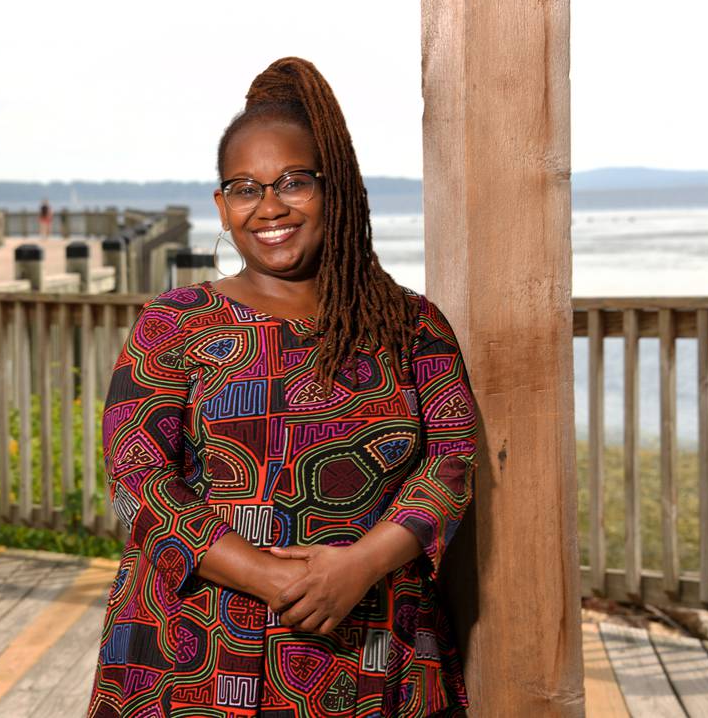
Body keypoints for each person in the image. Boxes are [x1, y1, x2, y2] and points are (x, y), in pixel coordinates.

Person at [87, 57, 477, 718]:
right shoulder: (177, 321)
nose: (269, 207)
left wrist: (357, 568)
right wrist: (270, 577)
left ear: (337, 188)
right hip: (197, 652)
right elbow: (137, 476)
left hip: (376, 649)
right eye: (245, 187)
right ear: (222, 204)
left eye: (294, 181)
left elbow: (450, 464)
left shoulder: (410, 324)